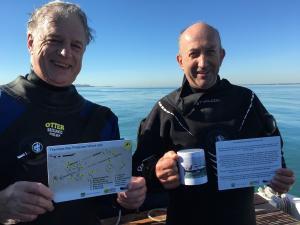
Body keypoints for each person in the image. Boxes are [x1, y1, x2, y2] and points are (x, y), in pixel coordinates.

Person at [132, 22, 295, 225]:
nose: (203, 62)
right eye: (194, 54)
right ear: (180, 60)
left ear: (222, 55)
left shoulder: (247, 101)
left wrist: (281, 179)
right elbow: (137, 168)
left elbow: (275, 155)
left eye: (210, 52)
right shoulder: (166, 109)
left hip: (240, 218)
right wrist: (157, 171)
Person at [0, 1, 146, 224]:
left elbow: (109, 201)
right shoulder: (4, 105)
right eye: (54, 40)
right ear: (30, 42)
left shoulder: (102, 119)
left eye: (76, 45)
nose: (65, 52)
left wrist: (126, 197)